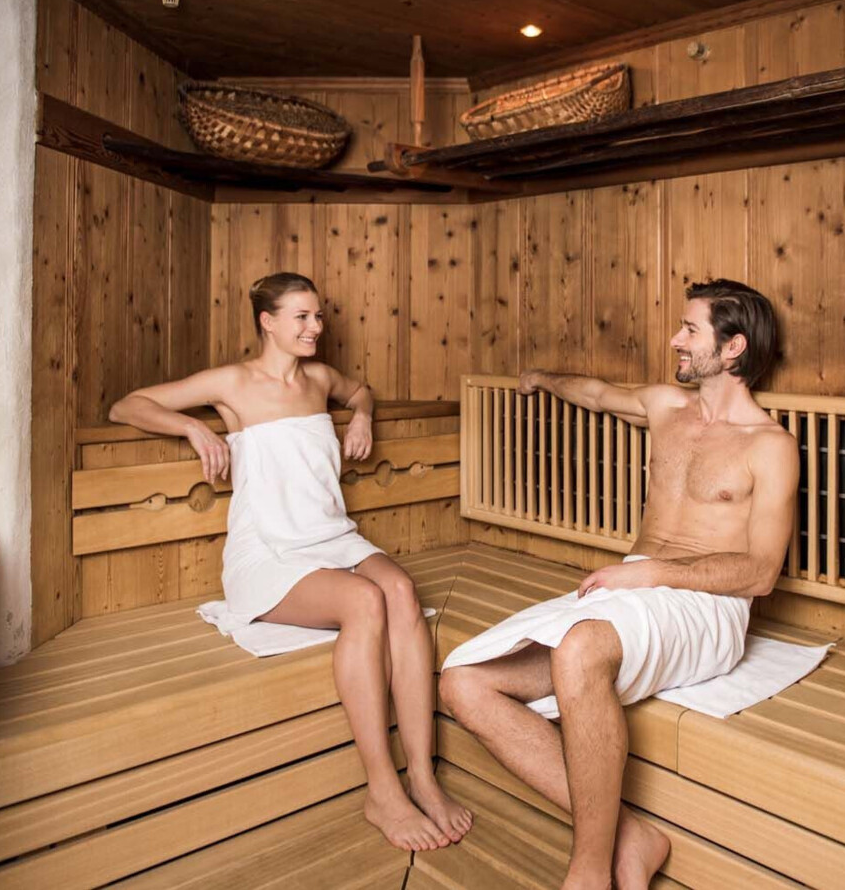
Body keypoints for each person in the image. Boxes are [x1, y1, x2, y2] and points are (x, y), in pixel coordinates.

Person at [438, 279, 799, 890]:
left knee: (579, 650)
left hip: (707, 607)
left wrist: (651, 573)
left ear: (733, 348)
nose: (675, 340)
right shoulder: (666, 408)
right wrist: (541, 378)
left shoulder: (770, 447)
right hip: (630, 594)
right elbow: (598, 395)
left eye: (690, 331)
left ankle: (588, 872)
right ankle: (633, 837)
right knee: (462, 684)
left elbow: (761, 573)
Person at [108, 272, 471, 852]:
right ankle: (382, 789)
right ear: (267, 322)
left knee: (400, 590)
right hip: (269, 551)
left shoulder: (321, 380)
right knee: (365, 600)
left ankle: (422, 777)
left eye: (320, 317)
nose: (315, 328)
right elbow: (126, 406)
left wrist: (363, 417)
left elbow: (359, 391)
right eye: (301, 317)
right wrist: (192, 427)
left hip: (333, 538)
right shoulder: (232, 382)